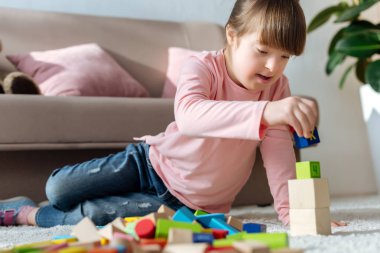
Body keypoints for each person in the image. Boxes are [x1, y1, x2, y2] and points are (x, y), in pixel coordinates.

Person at [0, 0, 344, 227]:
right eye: (263, 50)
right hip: (149, 163)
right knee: (59, 187)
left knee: (95, 214)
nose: (273, 66)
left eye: (285, 57)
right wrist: (267, 111)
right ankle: (46, 200)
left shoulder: (276, 89)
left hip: (191, 206)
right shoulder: (202, 67)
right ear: (233, 36)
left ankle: (29, 215)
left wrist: (291, 214)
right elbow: (191, 116)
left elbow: (279, 157)